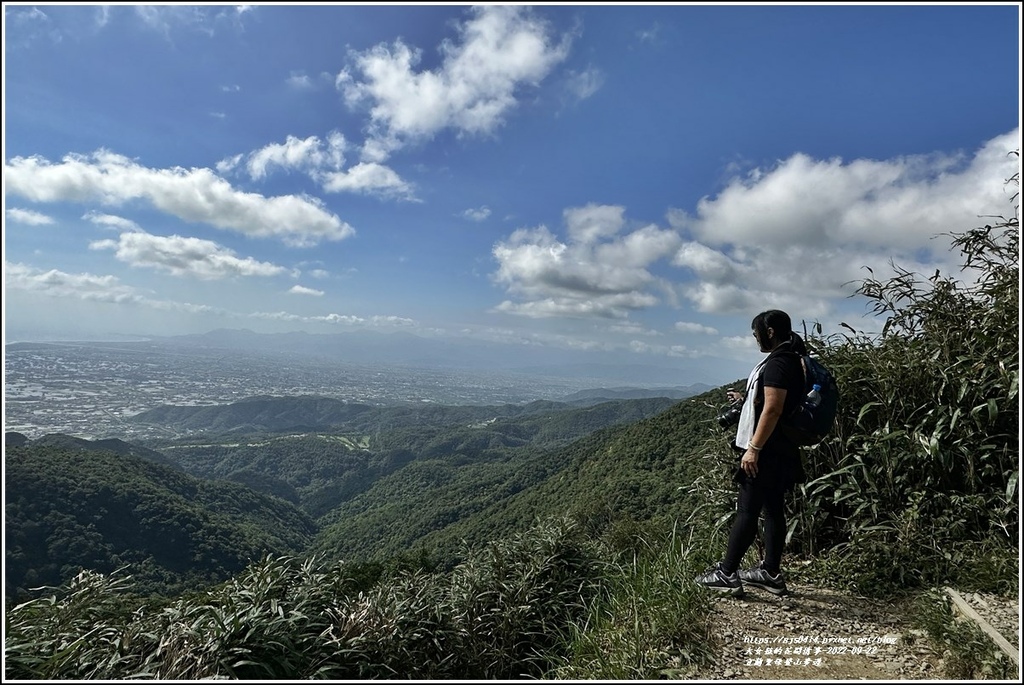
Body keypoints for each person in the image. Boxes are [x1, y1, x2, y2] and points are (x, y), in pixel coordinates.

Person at [695, 309, 807, 597]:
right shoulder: (791, 359)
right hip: (782, 449)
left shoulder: (779, 363)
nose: (755, 338)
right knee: (772, 510)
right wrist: (745, 399)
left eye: (756, 332)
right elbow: (770, 401)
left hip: (766, 451)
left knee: (747, 510)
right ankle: (770, 572)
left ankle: (727, 572)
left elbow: (773, 408)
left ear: (770, 331)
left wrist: (754, 449)